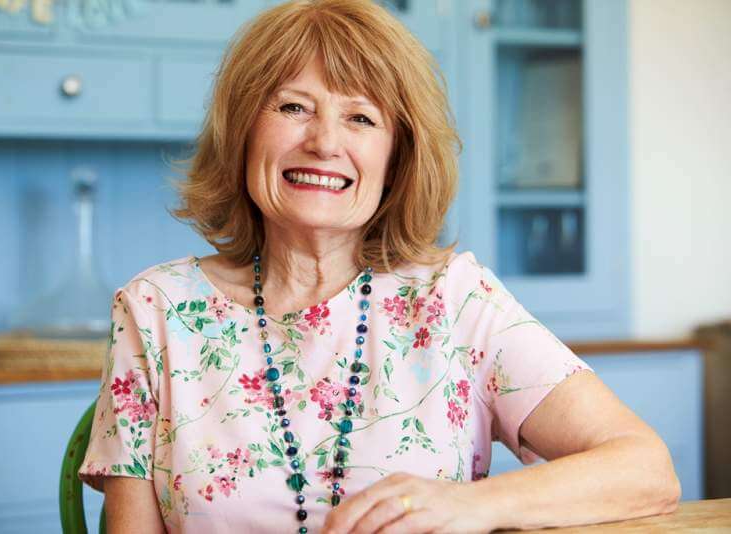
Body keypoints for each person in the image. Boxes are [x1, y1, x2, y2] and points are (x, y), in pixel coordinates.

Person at [78, 1, 680, 532]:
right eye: (293, 106)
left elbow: (644, 467)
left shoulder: (456, 301)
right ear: (242, 134)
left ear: (395, 160)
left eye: (361, 118)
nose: (324, 141)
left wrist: (469, 507)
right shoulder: (156, 308)